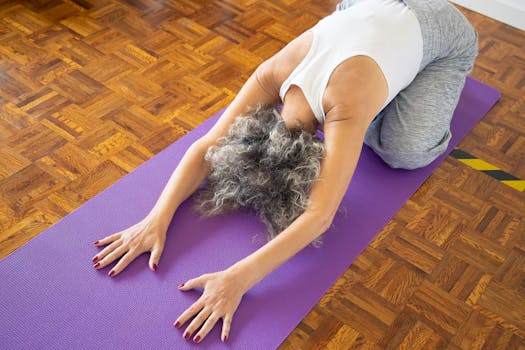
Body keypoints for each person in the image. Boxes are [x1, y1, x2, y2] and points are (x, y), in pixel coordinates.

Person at [91, 0, 478, 344]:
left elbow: (319, 214)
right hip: (367, 10)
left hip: (441, 30)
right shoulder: (274, 72)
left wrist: (239, 277)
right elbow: (209, 146)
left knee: (402, 152)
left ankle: (416, 75)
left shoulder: (343, 106)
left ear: (315, 147)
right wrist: (155, 218)